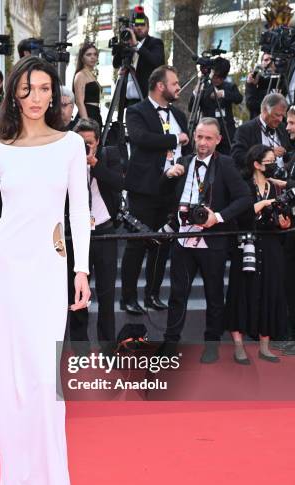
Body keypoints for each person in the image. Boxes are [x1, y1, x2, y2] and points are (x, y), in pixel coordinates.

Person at [0, 56, 91, 485]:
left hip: (46, 271)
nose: (37, 97)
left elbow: (79, 212)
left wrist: (81, 269)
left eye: (44, 88)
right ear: (13, 95)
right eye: (28, 88)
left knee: (46, 382)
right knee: (8, 386)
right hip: (3, 272)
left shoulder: (70, 147)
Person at [159, 118, 252, 363]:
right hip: (183, 240)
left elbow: (244, 198)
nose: (202, 142)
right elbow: (163, 193)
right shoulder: (184, 162)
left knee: (213, 295)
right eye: (199, 136)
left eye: (208, 138)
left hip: (213, 242)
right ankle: (171, 343)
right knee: (178, 294)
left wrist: (217, 217)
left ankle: (211, 343)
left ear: (218, 140)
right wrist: (168, 175)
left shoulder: (226, 164)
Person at [120, 65, 189, 315]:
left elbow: (187, 147)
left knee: (163, 243)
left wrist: (181, 165)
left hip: (171, 189)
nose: (178, 87)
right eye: (174, 83)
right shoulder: (136, 111)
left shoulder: (179, 115)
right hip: (145, 188)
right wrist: (175, 139)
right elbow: (141, 139)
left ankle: (152, 294)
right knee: (137, 243)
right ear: (161, 86)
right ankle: (128, 297)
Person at [225, 145, 290, 364]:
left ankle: (264, 345)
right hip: (246, 245)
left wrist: (284, 222)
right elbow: (238, 215)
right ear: (256, 164)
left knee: (271, 292)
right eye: (269, 162)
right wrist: (262, 204)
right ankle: (238, 345)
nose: (273, 166)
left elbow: (284, 217)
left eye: (274, 162)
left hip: (271, 245)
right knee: (241, 291)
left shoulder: (276, 188)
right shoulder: (242, 187)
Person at [68, 118, 123, 348]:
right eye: (79, 143)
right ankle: (80, 346)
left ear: (98, 142)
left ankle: (107, 345)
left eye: (88, 143)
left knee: (107, 293)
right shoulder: (67, 163)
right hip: (77, 236)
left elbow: (119, 182)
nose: (84, 147)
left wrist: (94, 163)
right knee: (77, 294)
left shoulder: (109, 156)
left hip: (104, 232)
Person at [271, 103, 295, 355]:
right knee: (292, 283)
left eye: (292, 122)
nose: (287, 127)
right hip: (294, 229)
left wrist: (287, 184)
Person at [189, 57, 242, 155]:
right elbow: (191, 107)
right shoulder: (204, 87)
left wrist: (223, 94)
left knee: (228, 159)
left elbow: (239, 98)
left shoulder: (229, 87)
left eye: (220, 78)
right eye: (215, 76)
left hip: (226, 132)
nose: (216, 80)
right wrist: (197, 90)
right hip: (208, 131)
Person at [112, 11, 165, 103]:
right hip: (128, 101)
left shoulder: (155, 43)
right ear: (131, 28)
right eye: (136, 25)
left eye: (142, 25)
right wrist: (122, 44)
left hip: (147, 99)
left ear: (148, 27)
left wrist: (137, 45)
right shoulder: (127, 43)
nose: (139, 27)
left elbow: (157, 62)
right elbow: (116, 64)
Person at [231, 93, 291, 171]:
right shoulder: (245, 129)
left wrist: (286, 155)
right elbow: (237, 156)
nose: (280, 119)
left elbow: (290, 150)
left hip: (283, 179)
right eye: (277, 115)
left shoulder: (282, 127)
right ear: (265, 110)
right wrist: (267, 154)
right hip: (256, 179)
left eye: (282, 116)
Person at [245, 53, 286, 120]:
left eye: (272, 60)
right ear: (261, 63)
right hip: (258, 121)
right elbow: (250, 104)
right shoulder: (257, 79)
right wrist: (251, 85)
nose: (269, 63)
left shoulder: (282, 80)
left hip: (277, 121)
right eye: (266, 60)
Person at [72, 43, 102, 128]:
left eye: (95, 54)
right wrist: (86, 123)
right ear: (82, 58)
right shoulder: (81, 75)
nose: (93, 57)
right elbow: (79, 102)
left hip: (96, 114)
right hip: (87, 114)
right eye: (89, 54)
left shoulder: (91, 74)